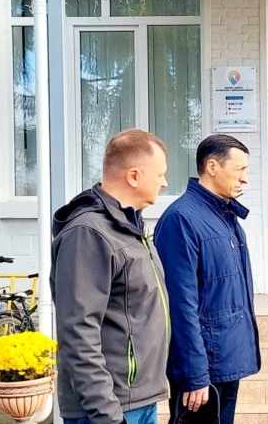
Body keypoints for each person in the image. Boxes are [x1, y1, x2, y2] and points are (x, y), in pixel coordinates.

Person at [51, 129, 170, 424]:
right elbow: (78, 332)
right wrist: (107, 414)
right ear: (133, 176)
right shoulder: (88, 233)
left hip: (139, 399)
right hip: (108, 409)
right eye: (160, 175)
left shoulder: (128, 227)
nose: (165, 183)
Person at [154, 134, 261, 424]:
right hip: (203, 368)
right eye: (239, 170)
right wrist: (195, 373)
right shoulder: (181, 219)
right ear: (213, 167)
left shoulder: (225, 215)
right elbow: (180, 304)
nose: (245, 179)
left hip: (225, 359)